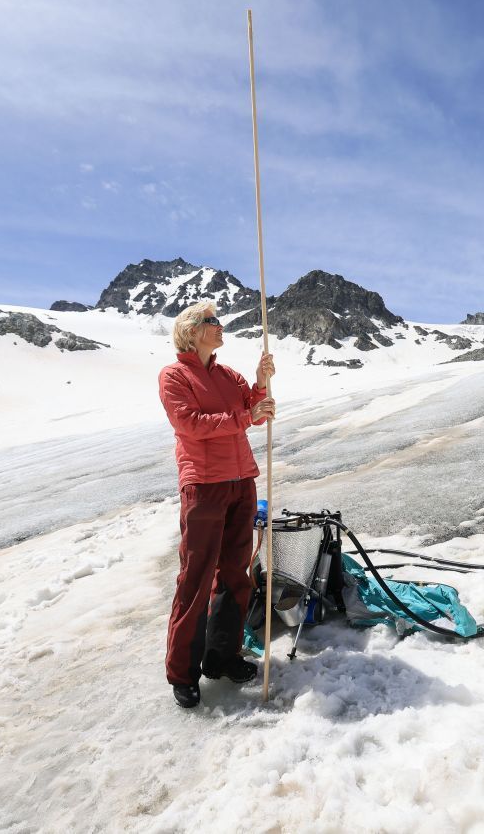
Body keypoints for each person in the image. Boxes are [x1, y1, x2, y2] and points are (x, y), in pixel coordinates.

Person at [157, 301, 276, 709]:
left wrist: (261, 385)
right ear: (192, 331)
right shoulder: (174, 376)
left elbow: (253, 411)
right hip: (204, 486)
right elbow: (189, 423)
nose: (220, 326)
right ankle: (181, 672)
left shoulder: (227, 374)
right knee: (195, 578)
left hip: (241, 481)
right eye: (212, 321)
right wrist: (245, 416)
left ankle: (222, 656)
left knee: (234, 573)